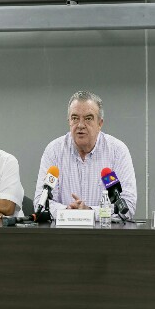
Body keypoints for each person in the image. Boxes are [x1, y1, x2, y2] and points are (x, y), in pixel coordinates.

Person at [34, 91, 136, 219]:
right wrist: (67, 211)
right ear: (69, 121)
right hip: (63, 229)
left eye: (88, 118)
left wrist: (89, 212)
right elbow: (40, 203)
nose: (81, 125)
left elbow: (128, 207)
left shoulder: (117, 151)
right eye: (75, 118)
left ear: (100, 124)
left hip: (103, 230)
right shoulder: (54, 151)